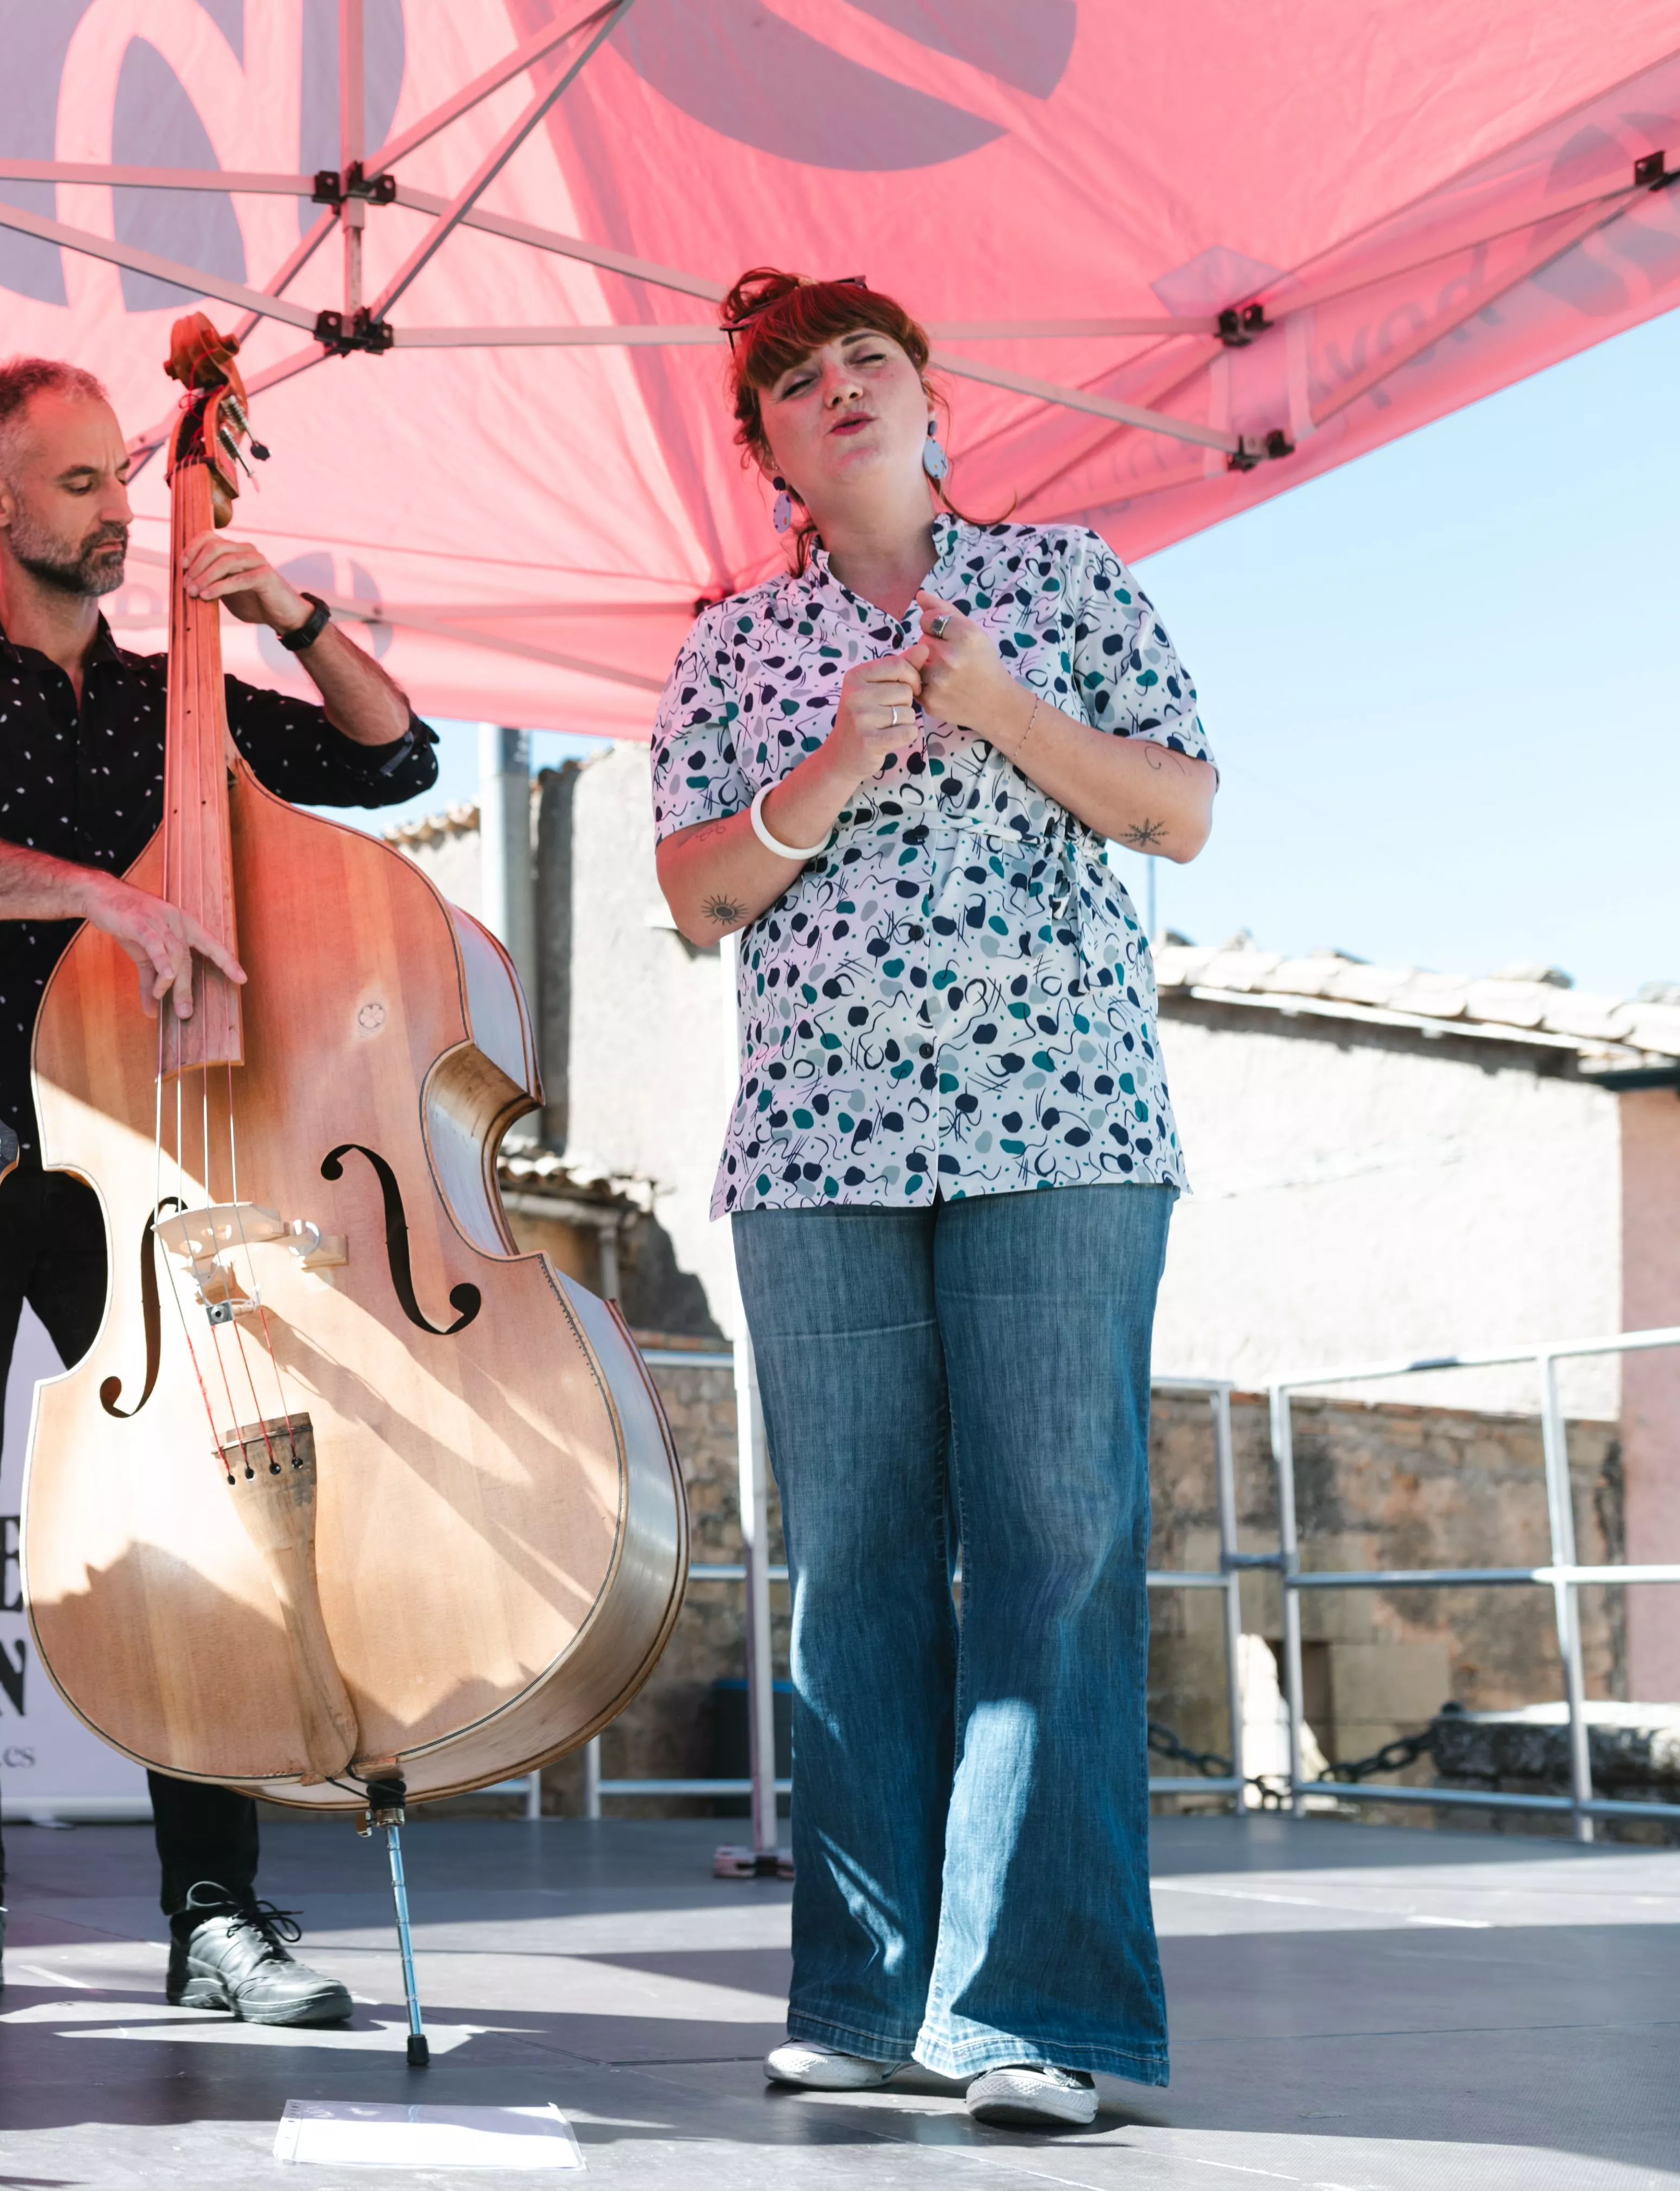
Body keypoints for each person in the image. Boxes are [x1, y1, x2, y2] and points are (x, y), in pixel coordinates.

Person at [650, 270, 1219, 2131]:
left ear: (925, 394)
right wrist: (829, 763)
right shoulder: (723, 651)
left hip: (1059, 1135)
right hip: (816, 1152)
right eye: (792, 386)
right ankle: (870, 1996)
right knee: (858, 1576)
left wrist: (990, 706)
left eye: (863, 363)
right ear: (763, 453)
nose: (836, 392)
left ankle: (1044, 2014)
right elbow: (691, 896)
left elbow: (1175, 809)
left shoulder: (1064, 583)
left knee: (1051, 1555)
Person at [0, 354, 440, 2021]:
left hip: (143, 1146)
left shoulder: (186, 701)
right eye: (85, 483)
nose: (118, 512)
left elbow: (398, 766)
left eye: (127, 479)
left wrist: (294, 616)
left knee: (206, 1499)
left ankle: (215, 1917)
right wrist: (104, 896)